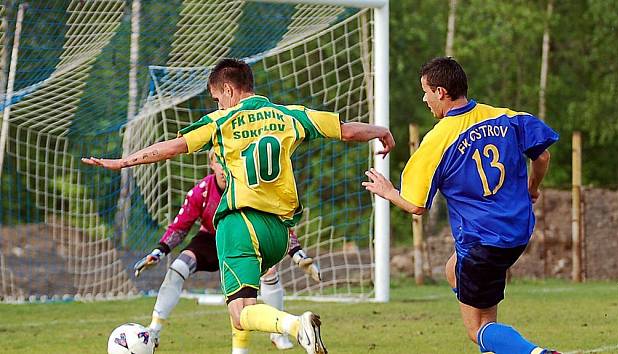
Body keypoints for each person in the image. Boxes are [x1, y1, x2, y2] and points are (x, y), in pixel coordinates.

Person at [82, 58, 395, 354]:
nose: (218, 104)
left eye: (218, 98)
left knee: (240, 311)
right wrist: (380, 130)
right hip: (279, 233)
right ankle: (250, 345)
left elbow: (171, 148)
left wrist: (123, 162)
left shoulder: (221, 120)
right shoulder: (290, 115)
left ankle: (295, 326)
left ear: (229, 90)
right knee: (247, 298)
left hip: (240, 224)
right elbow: (348, 130)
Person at [363, 57, 560, 354]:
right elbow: (542, 156)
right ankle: (489, 325)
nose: (424, 98)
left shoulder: (437, 141)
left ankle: (538, 353)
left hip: (482, 242)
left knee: (477, 329)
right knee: (453, 270)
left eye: (426, 91)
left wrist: (389, 191)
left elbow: (416, 206)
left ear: (441, 92)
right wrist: (532, 188)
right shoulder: (505, 117)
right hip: (517, 231)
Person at [133, 152, 321, 353]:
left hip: (241, 241)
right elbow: (181, 226)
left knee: (264, 276)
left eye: (227, 161)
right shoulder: (202, 191)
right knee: (178, 267)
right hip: (211, 240)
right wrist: (159, 252)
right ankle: (154, 329)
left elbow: (274, 222)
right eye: (218, 162)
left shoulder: (248, 189)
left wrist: (298, 255)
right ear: (211, 164)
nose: (223, 167)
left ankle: (278, 334)